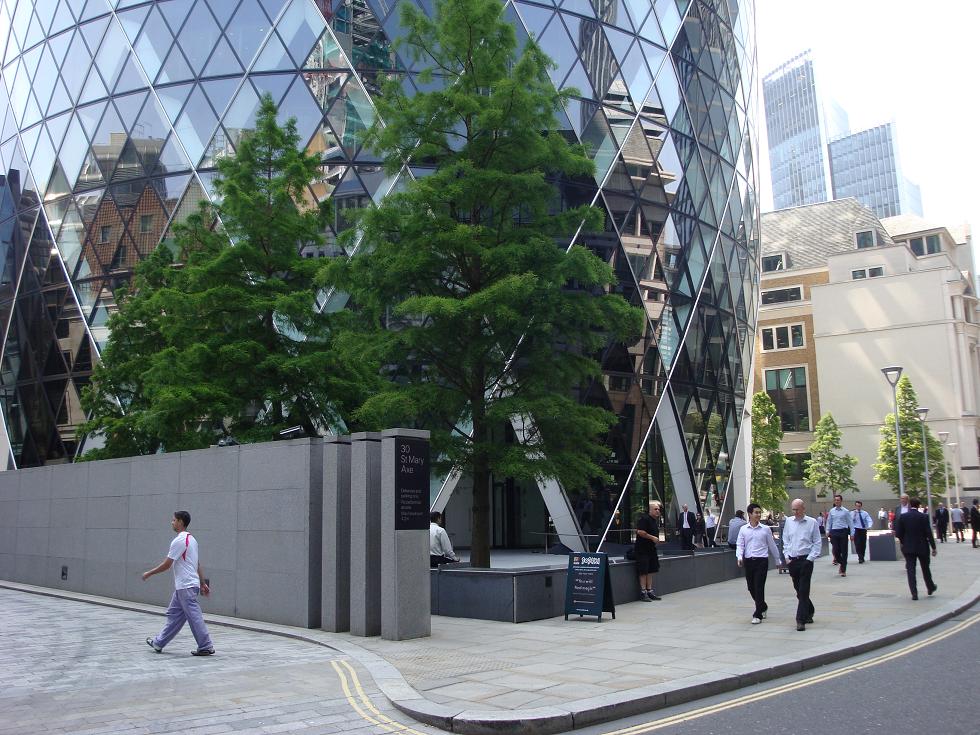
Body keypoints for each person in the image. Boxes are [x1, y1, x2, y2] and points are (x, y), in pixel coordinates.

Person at [142, 511, 214, 656]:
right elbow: (197, 563)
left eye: (174, 520)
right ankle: (159, 642)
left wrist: (149, 573)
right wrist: (202, 583)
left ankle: (206, 645)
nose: (172, 522)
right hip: (185, 586)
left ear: (181, 522)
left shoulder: (180, 540)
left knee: (194, 616)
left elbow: (167, 564)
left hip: (185, 586)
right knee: (174, 615)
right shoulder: (192, 540)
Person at [736, 503, 783, 625]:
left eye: (759, 512)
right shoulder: (743, 529)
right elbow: (740, 545)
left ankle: (757, 614)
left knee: (759, 587)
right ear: (750, 514)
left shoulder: (765, 529)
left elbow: (772, 545)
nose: (758, 515)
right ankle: (763, 606)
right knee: (751, 587)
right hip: (748, 561)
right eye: (756, 512)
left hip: (762, 561)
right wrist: (739, 557)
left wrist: (778, 560)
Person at [781, 498, 821, 631]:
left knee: (804, 590)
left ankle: (800, 619)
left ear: (804, 508)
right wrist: (786, 557)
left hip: (806, 560)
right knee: (798, 590)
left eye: (797, 509)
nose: (795, 512)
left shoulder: (812, 522)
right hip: (792, 560)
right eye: (793, 509)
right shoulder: (788, 522)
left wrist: (810, 559)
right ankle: (810, 609)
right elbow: (785, 539)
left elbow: (817, 542)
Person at [893, 498, 937, 600]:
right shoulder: (924, 517)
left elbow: (899, 533)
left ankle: (914, 593)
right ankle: (930, 587)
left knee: (911, 570)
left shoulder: (904, 517)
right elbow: (929, 533)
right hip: (922, 546)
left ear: (909, 504)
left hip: (908, 547)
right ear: (918, 506)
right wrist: (933, 547)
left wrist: (904, 542)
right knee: (925, 568)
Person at [635, 502, 663, 601]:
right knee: (643, 571)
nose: (658, 511)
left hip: (651, 550)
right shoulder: (645, 519)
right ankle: (643, 592)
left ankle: (649, 590)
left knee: (651, 570)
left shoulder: (654, 521)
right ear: (650, 510)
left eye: (658, 509)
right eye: (655, 509)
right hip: (642, 550)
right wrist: (652, 538)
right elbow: (640, 532)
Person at [826, 494, 854, 576]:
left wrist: (852, 533)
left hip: (843, 531)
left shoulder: (845, 511)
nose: (837, 501)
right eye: (835, 500)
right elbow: (829, 521)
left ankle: (843, 570)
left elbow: (850, 523)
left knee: (844, 551)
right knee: (836, 550)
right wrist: (827, 530)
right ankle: (842, 563)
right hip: (834, 532)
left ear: (841, 501)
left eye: (838, 500)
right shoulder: (832, 511)